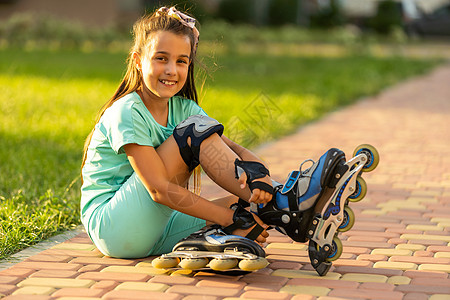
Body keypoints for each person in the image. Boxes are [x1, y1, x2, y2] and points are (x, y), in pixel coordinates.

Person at [80, 6, 272, 259]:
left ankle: (290, 208)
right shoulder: (126, 111)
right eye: (161, 58)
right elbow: (158, 189)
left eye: (181, 61)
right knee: (195, 132)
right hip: (115, 228)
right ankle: (246, 220)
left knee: (249, 207)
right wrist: (228, 219)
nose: (172, 70)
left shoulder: (185, 109)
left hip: (158, 227)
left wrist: (261, 176)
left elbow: (233, 149)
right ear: (138, 61)